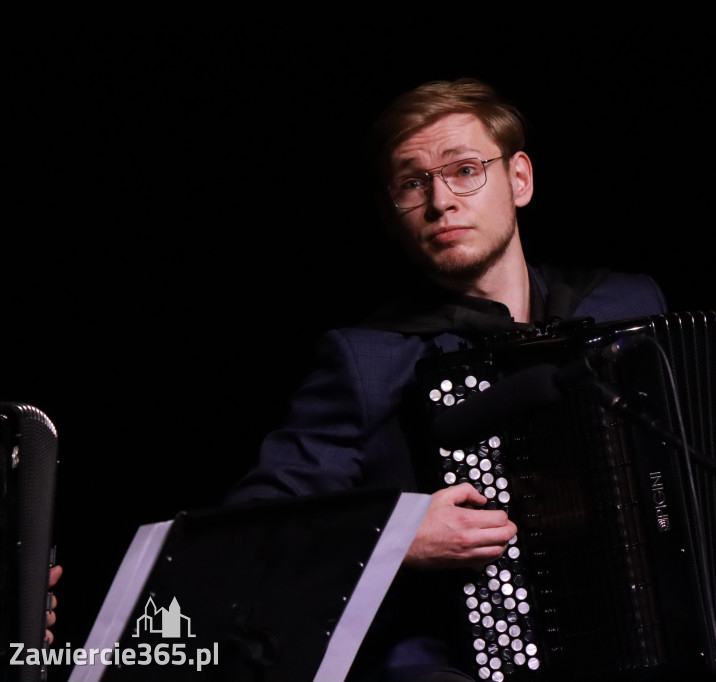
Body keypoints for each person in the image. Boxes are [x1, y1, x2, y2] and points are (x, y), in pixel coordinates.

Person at [226, 77, 670, 681]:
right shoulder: (367, 359)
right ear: (393, 212)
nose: (441, 202)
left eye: (464, 170)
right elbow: (248, 535)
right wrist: (394, 538)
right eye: (414, 183)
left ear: (520, 179)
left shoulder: (628, 305)